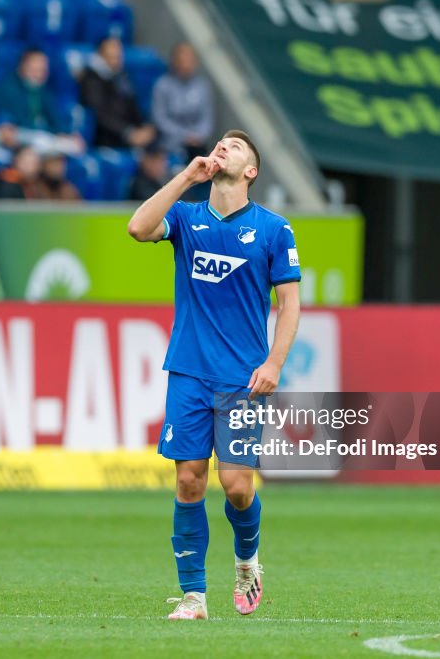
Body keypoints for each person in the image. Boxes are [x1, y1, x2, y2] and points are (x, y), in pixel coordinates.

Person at [126, 130, 301, 621]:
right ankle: (194, 596)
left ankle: (247, 562)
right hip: (188, 371)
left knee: (239, 486)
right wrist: (186, 177)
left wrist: (274, 364)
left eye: (237, 147)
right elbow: (138, 228)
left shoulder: (274, 229)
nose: (224, 147)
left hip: (243, 378)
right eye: (221, 142)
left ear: (252, 171)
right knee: (188, 480)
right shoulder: (185, 216)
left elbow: (289, 305)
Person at [79, 37, 155, 149]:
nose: (115, 61)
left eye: (118, 57)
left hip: (130, 134)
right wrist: (128, 133)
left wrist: (143, 128)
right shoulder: (91, 79)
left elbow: (132, 105)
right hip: (107, 138)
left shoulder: (122, 76)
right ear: (100, 56)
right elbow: (99, 115)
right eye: (111, 57)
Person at [152, 42, 214, 160]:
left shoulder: (202, 86)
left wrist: (197, 136)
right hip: (169, 143)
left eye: (190, 60)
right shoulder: (163, 85)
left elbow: (206, 119)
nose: (186, 64)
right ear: (174, 61)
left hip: (197, 144)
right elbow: (159, 118)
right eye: (182, 59)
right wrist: (183, 136)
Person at [0, 48, 72, 137]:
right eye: (34, 70)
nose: (39, 75)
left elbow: (56, 120)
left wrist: (67, 133)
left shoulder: (43, 91)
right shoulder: (9, 90)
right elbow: (20, 124)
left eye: (43, 70)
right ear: (22, 67)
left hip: (43, 139)